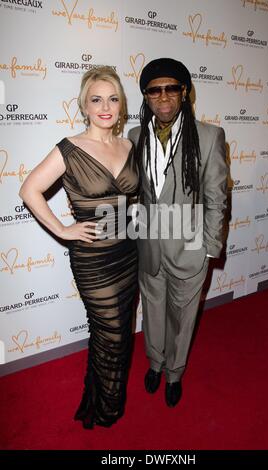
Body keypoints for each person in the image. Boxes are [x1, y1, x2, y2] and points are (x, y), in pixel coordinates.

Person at [19, 66, 139, 429]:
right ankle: (106, 406)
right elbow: (29, 190)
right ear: (84, 105)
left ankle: (100, 397)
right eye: (97, 99)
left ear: (121, 106)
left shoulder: (129, 145)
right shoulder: (70, 148)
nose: (106, 106)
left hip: (128, 251)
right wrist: (63, 229)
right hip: (93, 259)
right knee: (112, 331)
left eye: (113, 99)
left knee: (116, 330)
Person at [128, 58, 228, 407]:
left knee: (183, 318)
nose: (164, 97)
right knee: (153, 312)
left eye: (172, 88)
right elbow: (136, 193)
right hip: (150, 246)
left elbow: (216, 195)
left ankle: (175, 372)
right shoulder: (135, 136)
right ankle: (155, 363)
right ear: (146, 97)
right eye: (155, 90)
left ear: (184, 92)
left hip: (190, 249)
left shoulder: (209, 136)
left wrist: (209, 248)